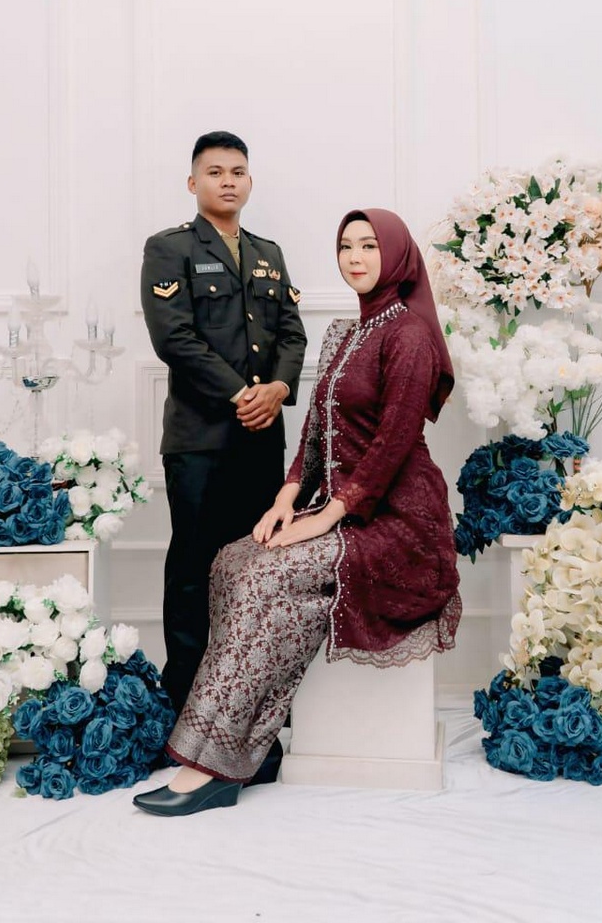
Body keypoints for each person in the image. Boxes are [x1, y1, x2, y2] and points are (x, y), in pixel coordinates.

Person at [134, 207, 462, 817]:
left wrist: (326, 515)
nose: (356, 257)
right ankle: (249, 751)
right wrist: (287, 498)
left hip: (397, 521)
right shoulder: (346, 332)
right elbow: (315, 429)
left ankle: (209, 767)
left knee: (268, 573)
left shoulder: (408, 335)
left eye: (370, 246)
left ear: (397, 256)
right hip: (337, 506)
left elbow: (392, 444)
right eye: (346, 246)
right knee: (234, 561)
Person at [140, 132, 307, 722]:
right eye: (215, 172)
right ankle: (186, 709)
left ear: (250, 182)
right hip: (199, 440)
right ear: (194, 183)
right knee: (193, 569)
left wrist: (279, 389)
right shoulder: (170, 249)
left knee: (258, 570)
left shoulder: (268, 253)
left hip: (261, 440)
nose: (228, 181)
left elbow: (291, 333)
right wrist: (242, 393)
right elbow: (173, 338)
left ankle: (249, 705)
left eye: (237, 171)